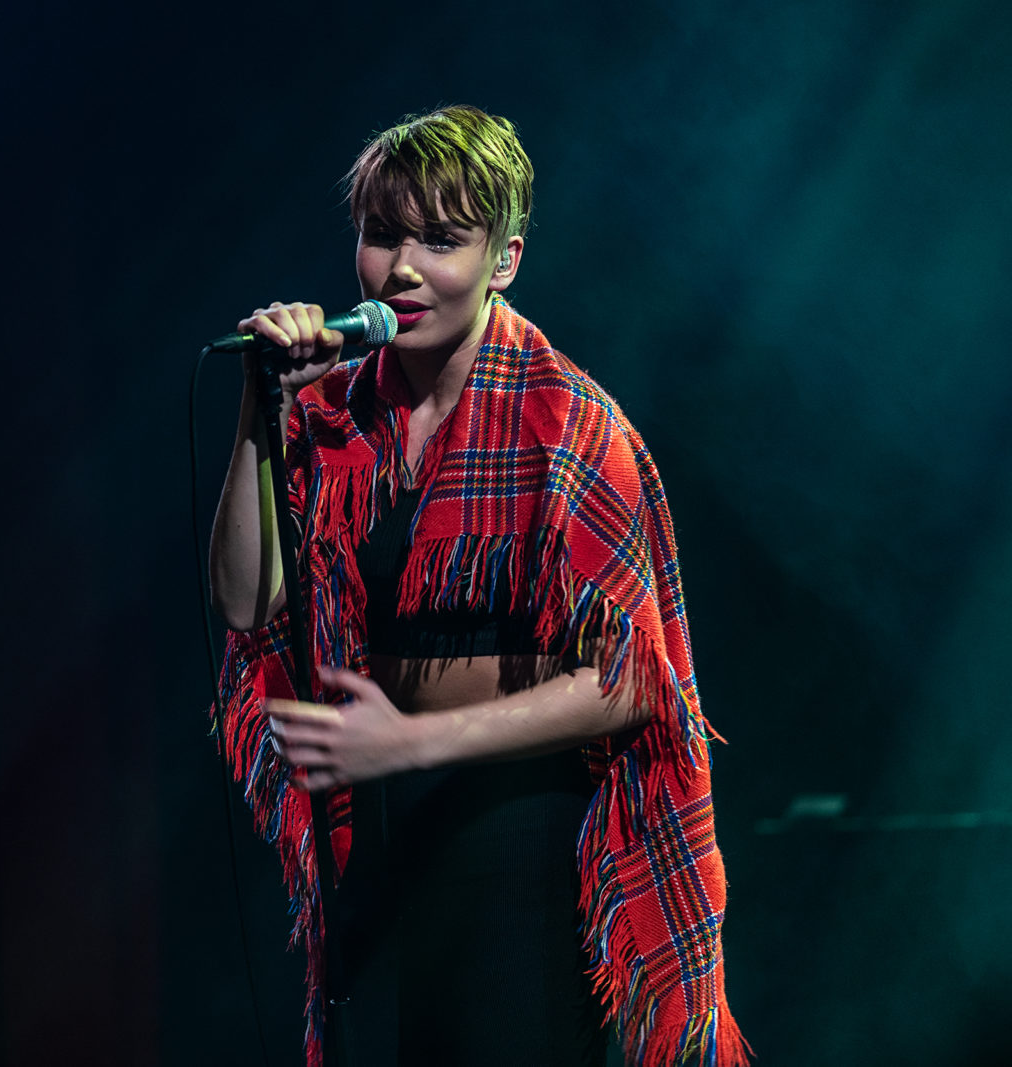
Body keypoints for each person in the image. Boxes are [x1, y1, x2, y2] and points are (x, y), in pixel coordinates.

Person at [207, 106, 748, 1067]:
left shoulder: (574, 427)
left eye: (443, 241)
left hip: (515, 840)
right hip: (374, 838)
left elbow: (633, 683)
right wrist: (264, 404)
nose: (404, 268)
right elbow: (249, 606)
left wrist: (412, 738)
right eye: (383, 236)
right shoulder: (332, 413)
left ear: (504, 260)